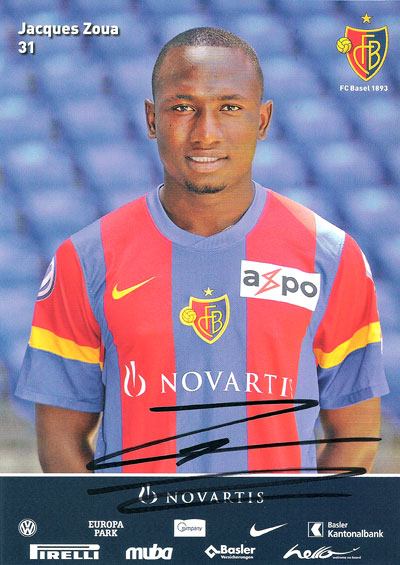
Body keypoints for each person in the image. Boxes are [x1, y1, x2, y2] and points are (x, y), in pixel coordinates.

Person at [16, 27, 388, 474]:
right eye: (182, 108)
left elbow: (356, 435)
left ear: (262, 120)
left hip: (275, 521)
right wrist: (114, 518)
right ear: (152, 119)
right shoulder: (85, 259)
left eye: (230, 107)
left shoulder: (331, 255)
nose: (205, 134)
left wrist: (294, 512)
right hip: (138, 520)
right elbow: (60, 440)